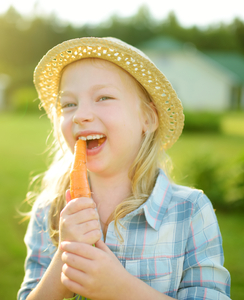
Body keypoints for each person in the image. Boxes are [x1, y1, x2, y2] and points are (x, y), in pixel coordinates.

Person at [17, 37, 231, 300]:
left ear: (147, 118)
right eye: (69, 104)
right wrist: (65, 255)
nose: (81, 114)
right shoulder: (49, 210)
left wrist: (120, 289)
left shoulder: (189, 211)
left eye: (103, 97)